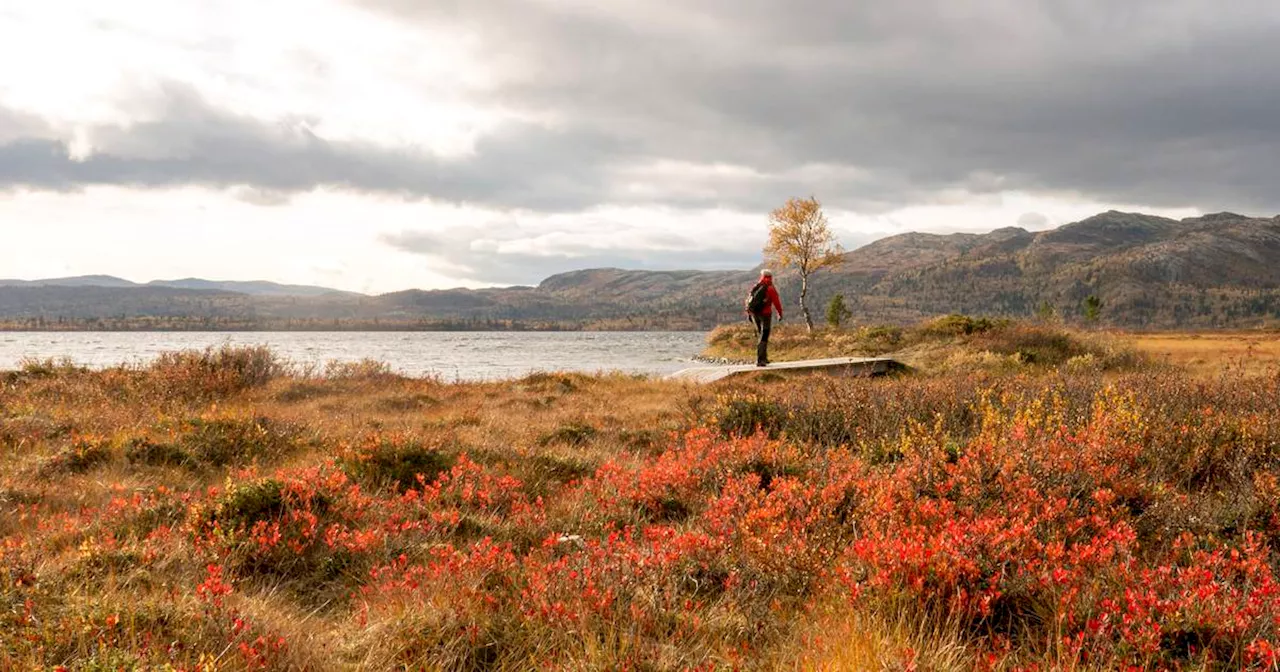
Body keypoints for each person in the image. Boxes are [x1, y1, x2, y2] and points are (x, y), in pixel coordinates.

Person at [745, 269, 784, 367]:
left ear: (762, 276)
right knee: (764, 335)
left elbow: (749, 301)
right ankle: (760, 360)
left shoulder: (756, 287)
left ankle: (764, 358)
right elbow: (776, 302)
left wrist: (749, 314)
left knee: (760, 335)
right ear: (771, 277)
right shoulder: (770, 288)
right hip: (765, 314)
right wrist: (780, 313)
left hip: (754, 314)